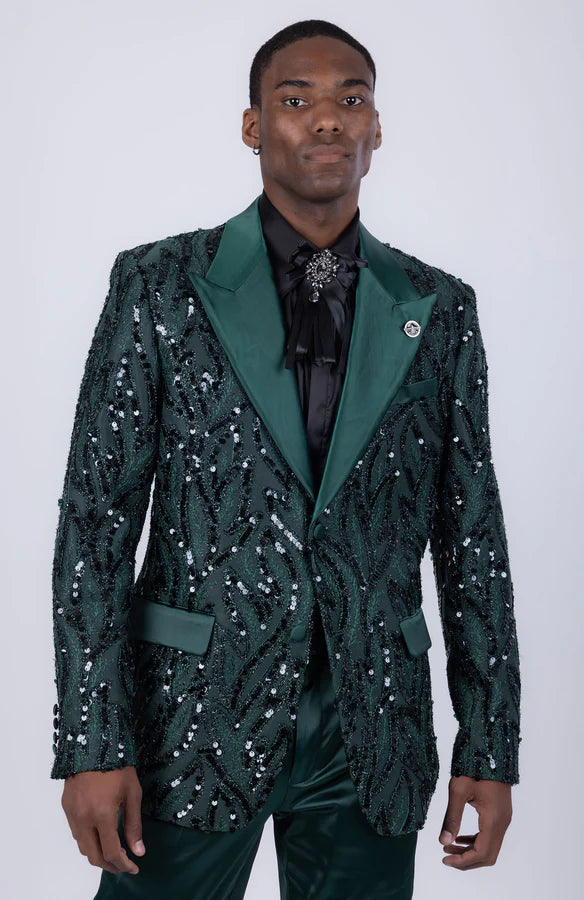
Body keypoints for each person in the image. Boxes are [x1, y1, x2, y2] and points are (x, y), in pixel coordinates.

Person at [50, 18, 521, 899]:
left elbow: (472, 539)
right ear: (253, 126)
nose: (328, 118)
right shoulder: (159, 285)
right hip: (188, 718)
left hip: (372, 726)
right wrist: (90, 740)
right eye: (296, 99)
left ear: (376, 128)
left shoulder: (440, 308)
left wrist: (490, 746)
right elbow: (95, 523)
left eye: (352, 99)